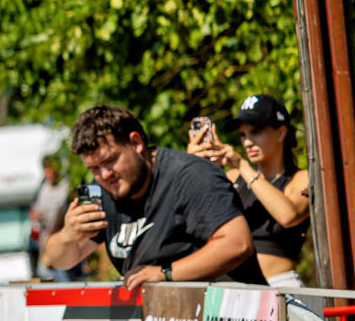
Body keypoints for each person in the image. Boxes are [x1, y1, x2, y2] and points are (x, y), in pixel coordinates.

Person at [41, 105, 262, 288]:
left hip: (227, 314)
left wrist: (164, 273)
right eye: (94, 168)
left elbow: (237, 243)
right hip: (161, 318)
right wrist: (68, 235)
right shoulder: (102, 190)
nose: (105, 175)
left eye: (110, 161)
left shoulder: (190, 175)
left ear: (136, 143)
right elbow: (62, 260)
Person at [192, 94, 310, 288]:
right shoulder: (232, 177)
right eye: (243, 135)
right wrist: (197, 168)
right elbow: (197, 224)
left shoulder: (301, 178)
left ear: (281, 133)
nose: (247, 142)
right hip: (232, 289)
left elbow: (288, 216)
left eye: (255, 132)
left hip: (280, 287)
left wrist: (241, 165)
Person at [29, 159, 72, 280]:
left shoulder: (65, 185)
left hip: (58, 235)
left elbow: (60, 210)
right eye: (46, 172)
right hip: (44, 236)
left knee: (61, 272)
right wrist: (35, 214)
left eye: (49, 171)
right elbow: (36, 204)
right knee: (45, 271)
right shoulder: (43, 185)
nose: (48, 175)